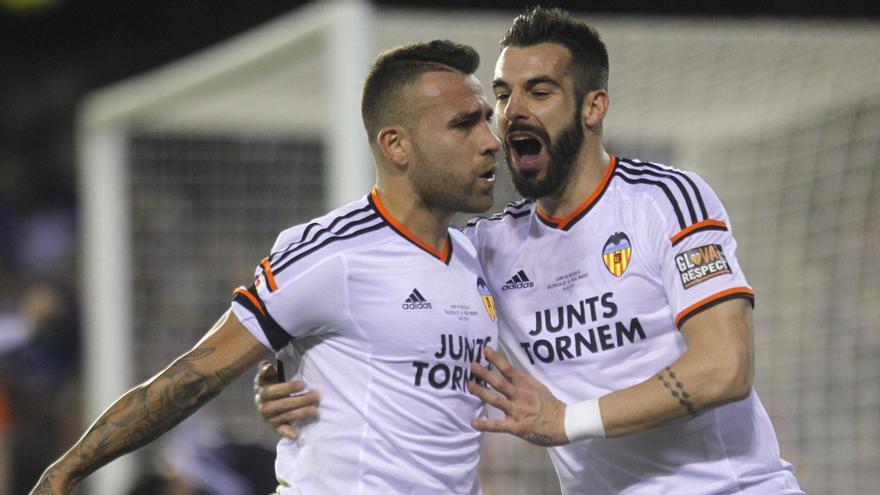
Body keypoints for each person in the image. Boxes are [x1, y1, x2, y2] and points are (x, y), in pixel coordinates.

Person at [255, 7, 804, 494]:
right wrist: (296, 378)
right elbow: (394, 305)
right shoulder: (487, 248)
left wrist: (566, 421)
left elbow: (724, 369)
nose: (511, 111)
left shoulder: (664, 202)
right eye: (501, 94)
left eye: (539, 92)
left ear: (593, 107)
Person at [29, 39, 501, 495]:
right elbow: (194, 377)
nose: (490, 140)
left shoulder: (474, 257)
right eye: (464, 125)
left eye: (485, 120)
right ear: (396, 145)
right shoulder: (331, 253)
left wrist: (288, 382)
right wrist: (67, 470)